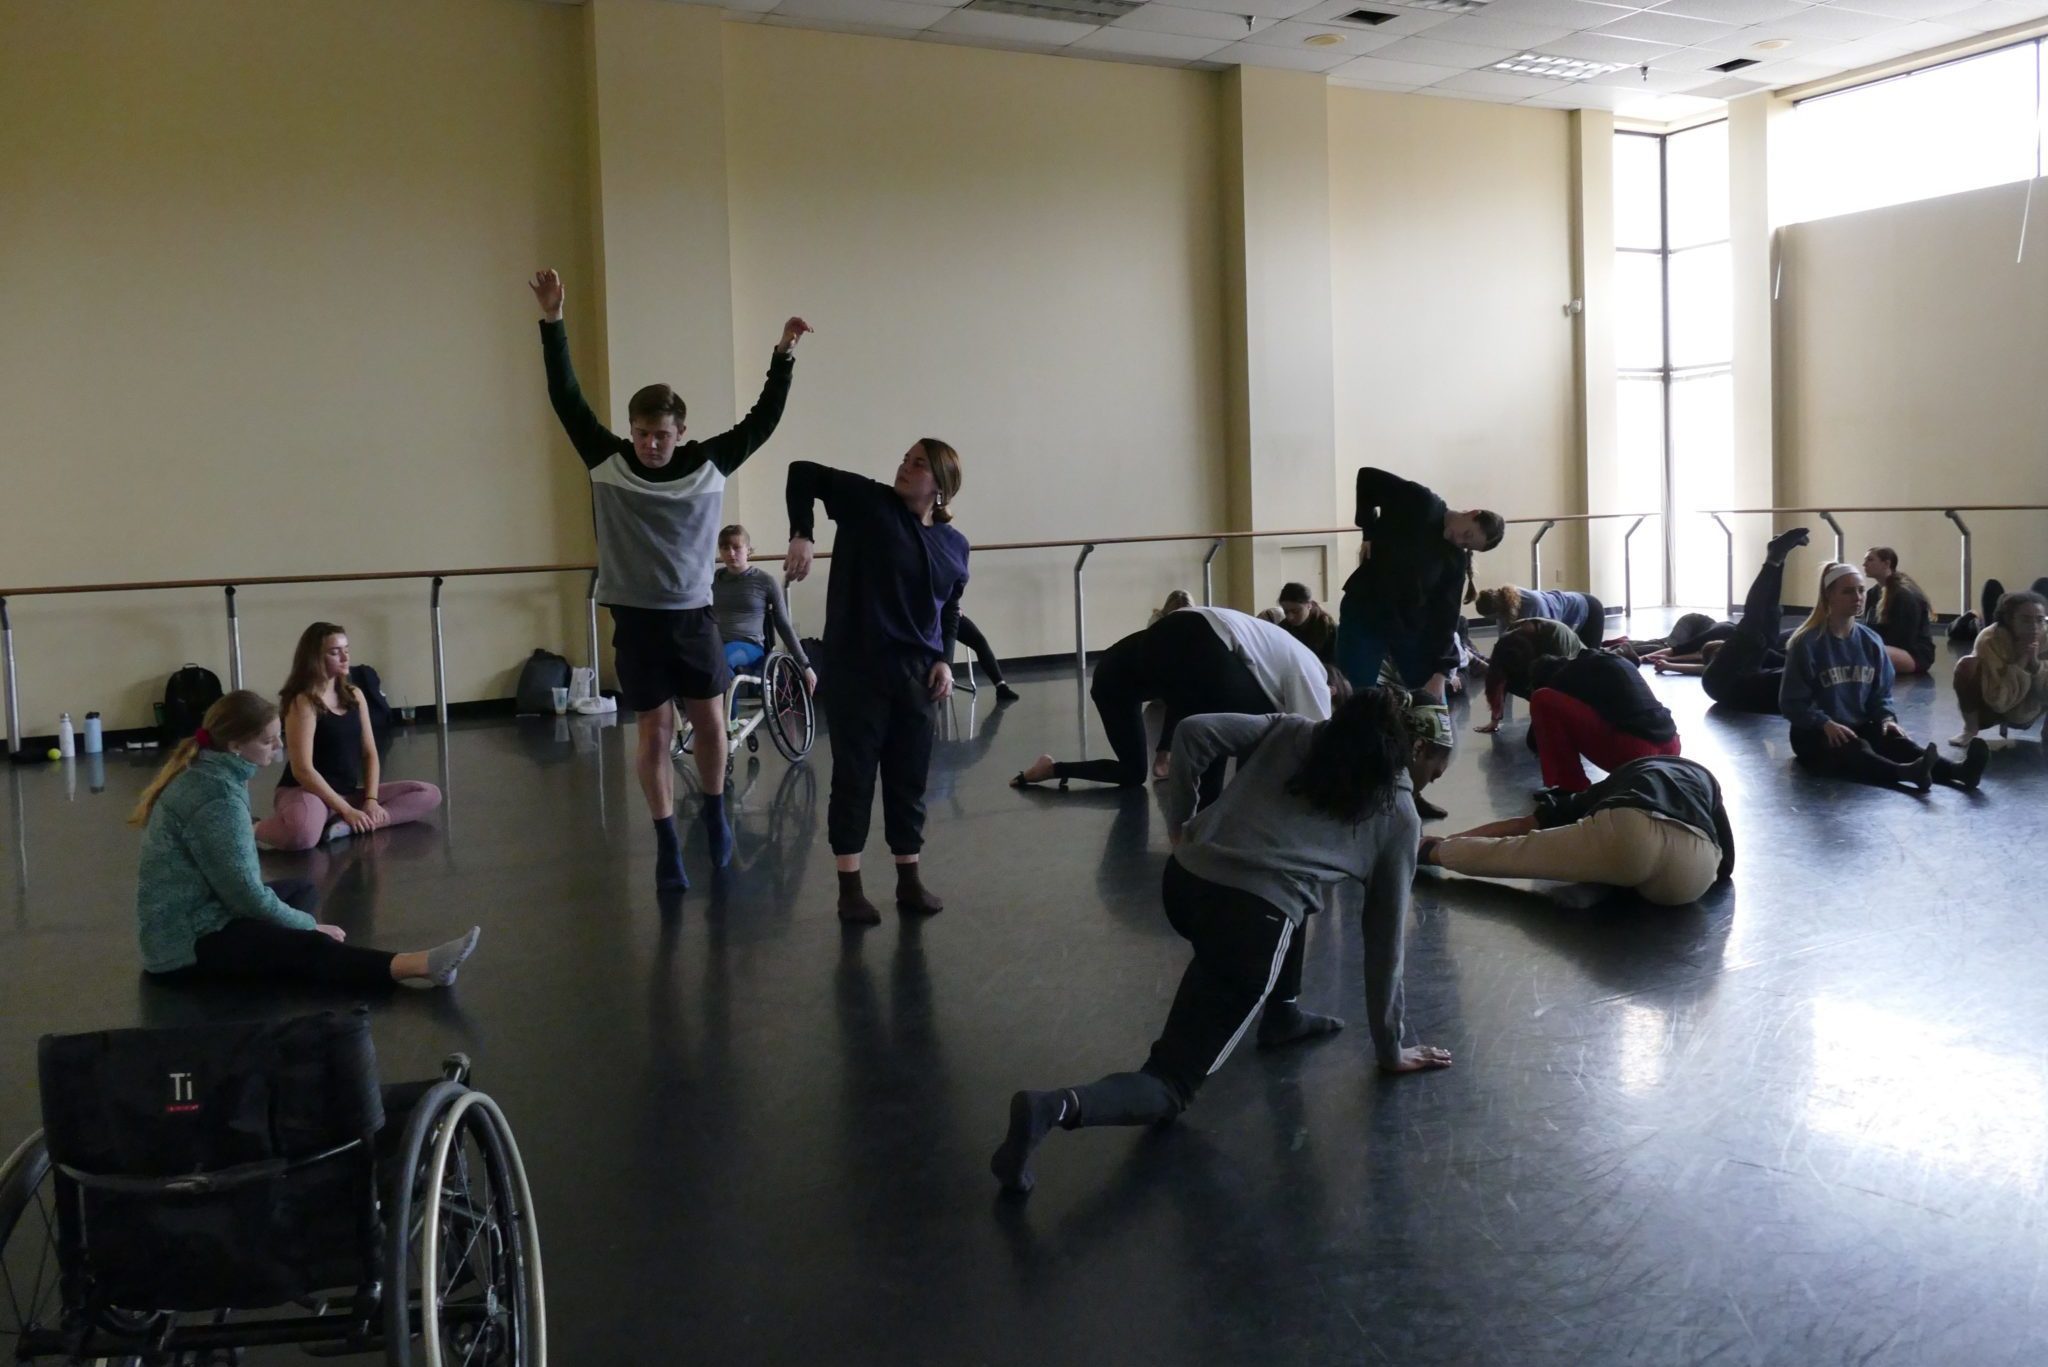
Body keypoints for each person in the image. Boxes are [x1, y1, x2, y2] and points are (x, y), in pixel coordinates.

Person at [990, 689, 1456, 1197]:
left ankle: (1283, 1015)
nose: (1431, 780)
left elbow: (1190, 732)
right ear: (1417, 751)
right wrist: (1390, 1047)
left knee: (1296, 889)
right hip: (1245, 927)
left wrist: (1181, 822)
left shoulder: (1297, 729)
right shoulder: (1398, 817)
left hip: (1185, 883)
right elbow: (1384, 944)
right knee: (1170, 1084)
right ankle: (1051, 1107)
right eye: (1435, 768)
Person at [531, 267, 812, 891]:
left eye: (662, 434)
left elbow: (761, 422)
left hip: (691, 616)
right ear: (630, 431)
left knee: (710, 724)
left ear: (680, 432)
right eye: (642, 433)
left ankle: (714, 813)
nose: (652, 444)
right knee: (655, 730)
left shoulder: (707, 464)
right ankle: (665, 842)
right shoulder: (607, 461)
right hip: (634, 618)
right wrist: (553, 321)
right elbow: (566, 397)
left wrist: (782, 357)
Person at [132, 691, 479, 990]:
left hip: (206, 915)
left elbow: (237, 890)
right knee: (309, 942)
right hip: (184, 951)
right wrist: (309, 927)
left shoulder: (213, 774)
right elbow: (245, 895)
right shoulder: (215, 798)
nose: (279, 746)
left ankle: (283, 953)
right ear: (236, 745)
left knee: (302, 891)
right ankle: (419, 966)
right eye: (269, 740)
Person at [786, 441, 969, 925]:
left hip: (916, 677)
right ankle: (850, 887)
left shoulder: (955, 545)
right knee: (855, 777)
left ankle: (909, 879)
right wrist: (802, 535)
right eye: (905, 460)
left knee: (908, 780)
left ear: (941, 487)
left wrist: (945, 662)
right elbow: (803, 469)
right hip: (859, 668)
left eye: (919, 465)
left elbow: (949, 609)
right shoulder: (870, 504)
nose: (904, 468)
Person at [1009, 606, 1335, 799]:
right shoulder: (1313, 674)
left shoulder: (1280, 662)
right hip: (1163, 652)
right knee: (1237, 725)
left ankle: (1051, 769)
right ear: (1335, 689)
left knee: (1133, 772)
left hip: (1162, 643)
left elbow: (1185, 692)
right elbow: (1317, 743)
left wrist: (1166, 749)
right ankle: (1207, 824)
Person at [1419, 755, 1733, 906]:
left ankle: (1428, 850)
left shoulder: (1624, 776)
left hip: (1629, 834)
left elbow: (1523, 828)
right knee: (1633, 875)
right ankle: (1616, 879)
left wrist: (1451, 840)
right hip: (1692, 874)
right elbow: (1728, 863)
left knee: (1515, 853)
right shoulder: (1705, 777)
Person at [1781, 561, 1988, 791]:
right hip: (1814, 732)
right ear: (1828, 595)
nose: (1858, 597)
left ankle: (1959, 771)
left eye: (1860, 590)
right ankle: (1906, 772)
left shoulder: (1871, 642)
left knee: (1896, 743)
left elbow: (1881, 694)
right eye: (1848, 591)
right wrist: (1824, 723)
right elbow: (1792, 703)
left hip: (1856, 724)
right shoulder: (1806, 643)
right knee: (1855, 748)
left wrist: (1886, 719)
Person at [255, 623, 441, 851]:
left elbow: (369, 753)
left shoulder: (355, 695)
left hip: (347, 794)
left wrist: (370, 801)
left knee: (428, 793)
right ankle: (253, 827)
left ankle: (349, 825)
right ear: (315, 658)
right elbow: (302, 769)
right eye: (334, 652)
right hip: (307, 792)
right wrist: (346, 810)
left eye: (346, 649)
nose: (345, 657)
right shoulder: (304, 702)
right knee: (303, 836)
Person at [1335, 467, 1504, 703]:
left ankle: (1434, 737)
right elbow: (1368, 477)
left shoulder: (1454, 559)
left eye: (1468, 544)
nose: (1459, 541)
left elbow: (1446, 617)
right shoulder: (1422, 502)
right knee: (1356, 693)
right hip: (1365, 610)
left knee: (1431, 697)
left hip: (1408, 626)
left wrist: (1441, 672)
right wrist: (1368, 531)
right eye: (1466, 533)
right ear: (1472, 513)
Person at [1489, 638, 1679, 792]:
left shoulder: (1560, 680)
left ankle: (1571, 786)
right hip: (1671, 745)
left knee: (1542, 699)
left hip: (1636, 752)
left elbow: (1535, 740)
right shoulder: (1596, 661)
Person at [712, 524, 817, 693]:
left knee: (719, 660)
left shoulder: (765, 581)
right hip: (715, 644)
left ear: (748, 549)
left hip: (749, 646)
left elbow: (783, 624)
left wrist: (805, 665)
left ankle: (728, 719)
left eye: (736, 547)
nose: (731, 553)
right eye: (725, 548)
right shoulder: (713, 580)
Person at [1952, 589, 2048, 748]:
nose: (2034, 627)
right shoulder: (1989, 639)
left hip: (2034, 705)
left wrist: (2036, 665)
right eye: (2025, 620)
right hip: (1994, 709)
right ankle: (1970, 728)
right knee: (1967, 666)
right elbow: (1999, 702)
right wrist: (2021, 661)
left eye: (2039, 620)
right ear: (2009, 619)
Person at [1475, 617, 1586, 733]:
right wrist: (1495, 720)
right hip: (1536, 664)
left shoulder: (1555, 639)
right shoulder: (1505, 642)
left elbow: (1559, 686)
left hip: (1575, 669)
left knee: (1538, 738)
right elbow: (1497, 680)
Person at [1859, 547, 1935, 676]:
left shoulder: (1904, 595)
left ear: (1886, 564)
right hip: (1889, 647)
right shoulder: (1872, 594)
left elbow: (1903, 639)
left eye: (1870, 560)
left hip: (1914, 655)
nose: (1864, 564)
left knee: (1863, 651)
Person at [1472, 584, 1606, 650]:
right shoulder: (1503, 612)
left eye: (1490, 617)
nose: (1492, 620)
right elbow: (1504, 642)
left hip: (1590, 611)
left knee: (1591, 660)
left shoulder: (1534, 606)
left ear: (1497, 609)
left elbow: (1553, 640)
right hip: (1574, 608)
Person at [953, 614, 1021, 704]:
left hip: (949, 612)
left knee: (979, 641)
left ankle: (1001, 687)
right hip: (931, 615)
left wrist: (954, 605)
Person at [1276, 582, 1338, 663]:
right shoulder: (1283, 628)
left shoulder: (1328, 628)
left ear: (1309, 605)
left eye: (1296, 611)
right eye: (1286, 611)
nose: (1290, 617)